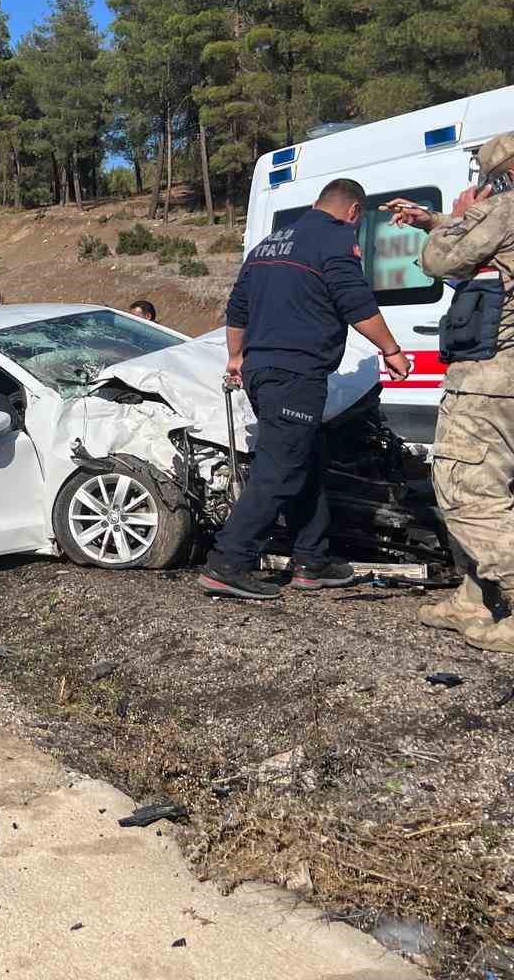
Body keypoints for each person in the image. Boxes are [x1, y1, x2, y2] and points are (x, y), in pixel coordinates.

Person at [198, 179, 410, 600]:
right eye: (358, 221)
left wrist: (236, 356)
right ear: (352, 213)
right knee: (278, 468)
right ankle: (228, 562)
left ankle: (312, 560)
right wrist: (391, 349)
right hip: (295, 373)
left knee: (304, 459)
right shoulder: (333, 239)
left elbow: (238, 307)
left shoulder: (269, 244)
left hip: (261, 369)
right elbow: (355, 301)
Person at [386, 133, 514, 652]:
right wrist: (437, 221)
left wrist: (459, 215)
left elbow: (441, 264)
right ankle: (473, 597)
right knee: (495, 488)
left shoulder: (501, 210)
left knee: (467, 489)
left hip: (491, 380)